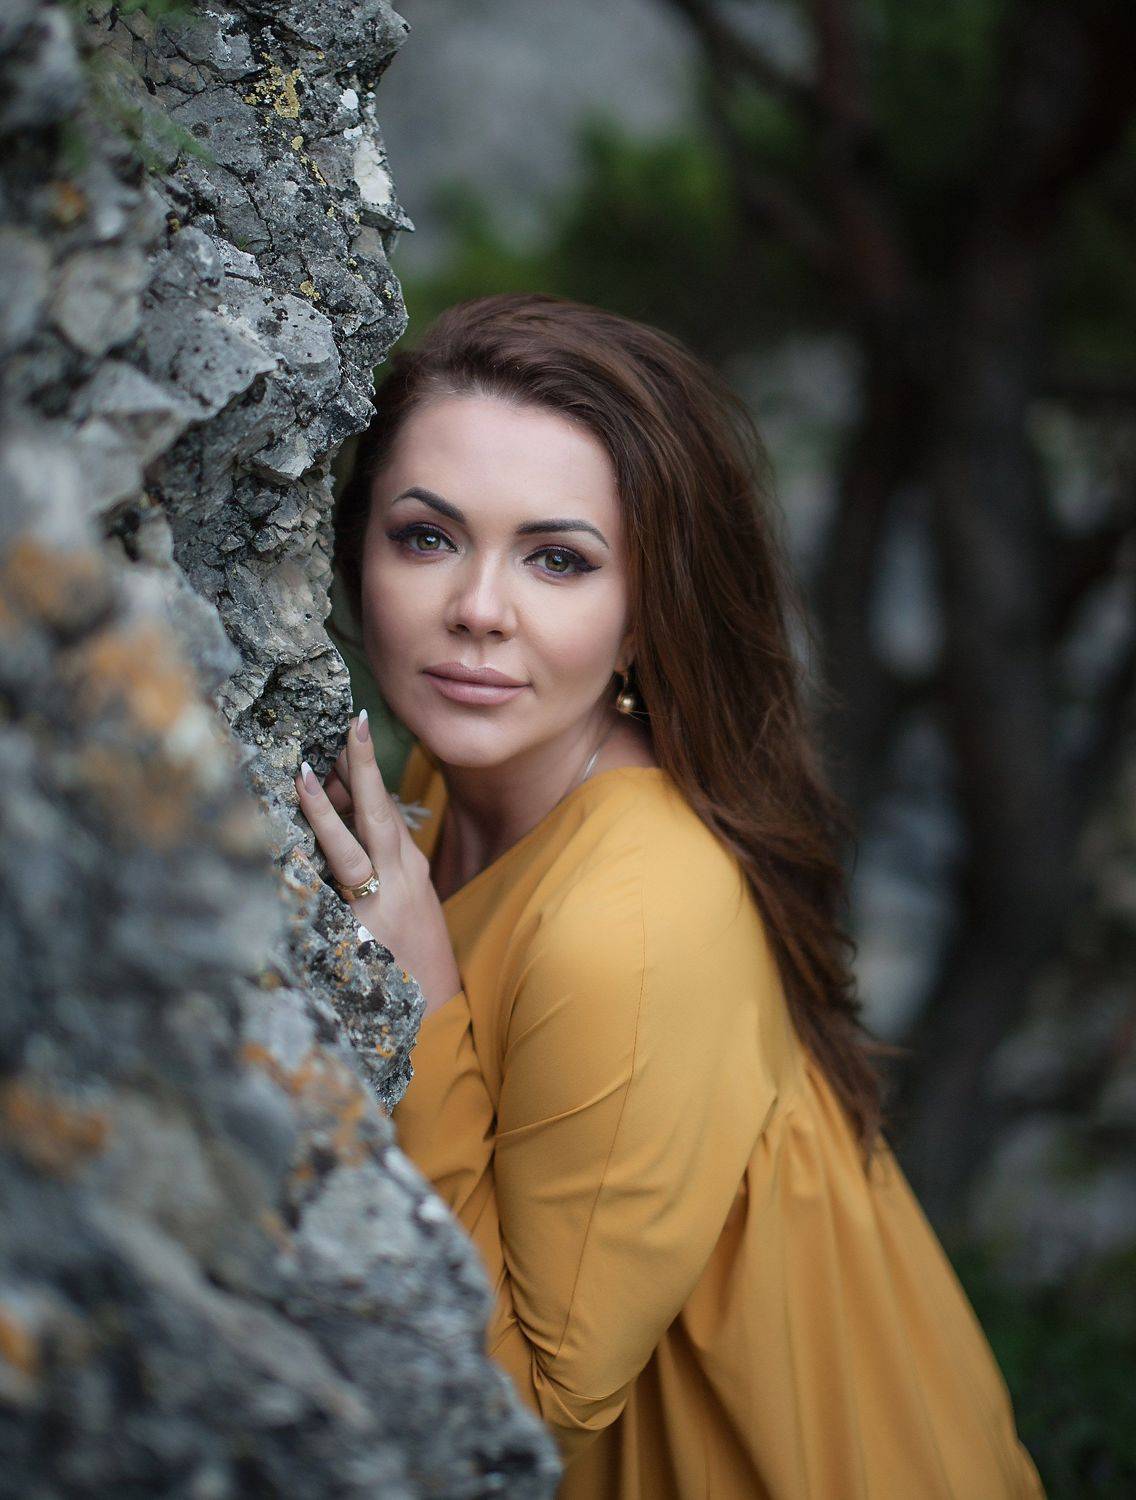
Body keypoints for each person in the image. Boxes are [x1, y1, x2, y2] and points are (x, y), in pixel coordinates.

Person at [294, 293, 1045, 1499]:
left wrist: (418, 1008)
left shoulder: (629, 921)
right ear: (354, 553)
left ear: (647, 613)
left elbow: (524, 1412)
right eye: (426, 537)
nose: (477, 608)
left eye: (558, 559)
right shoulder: (458, 771)